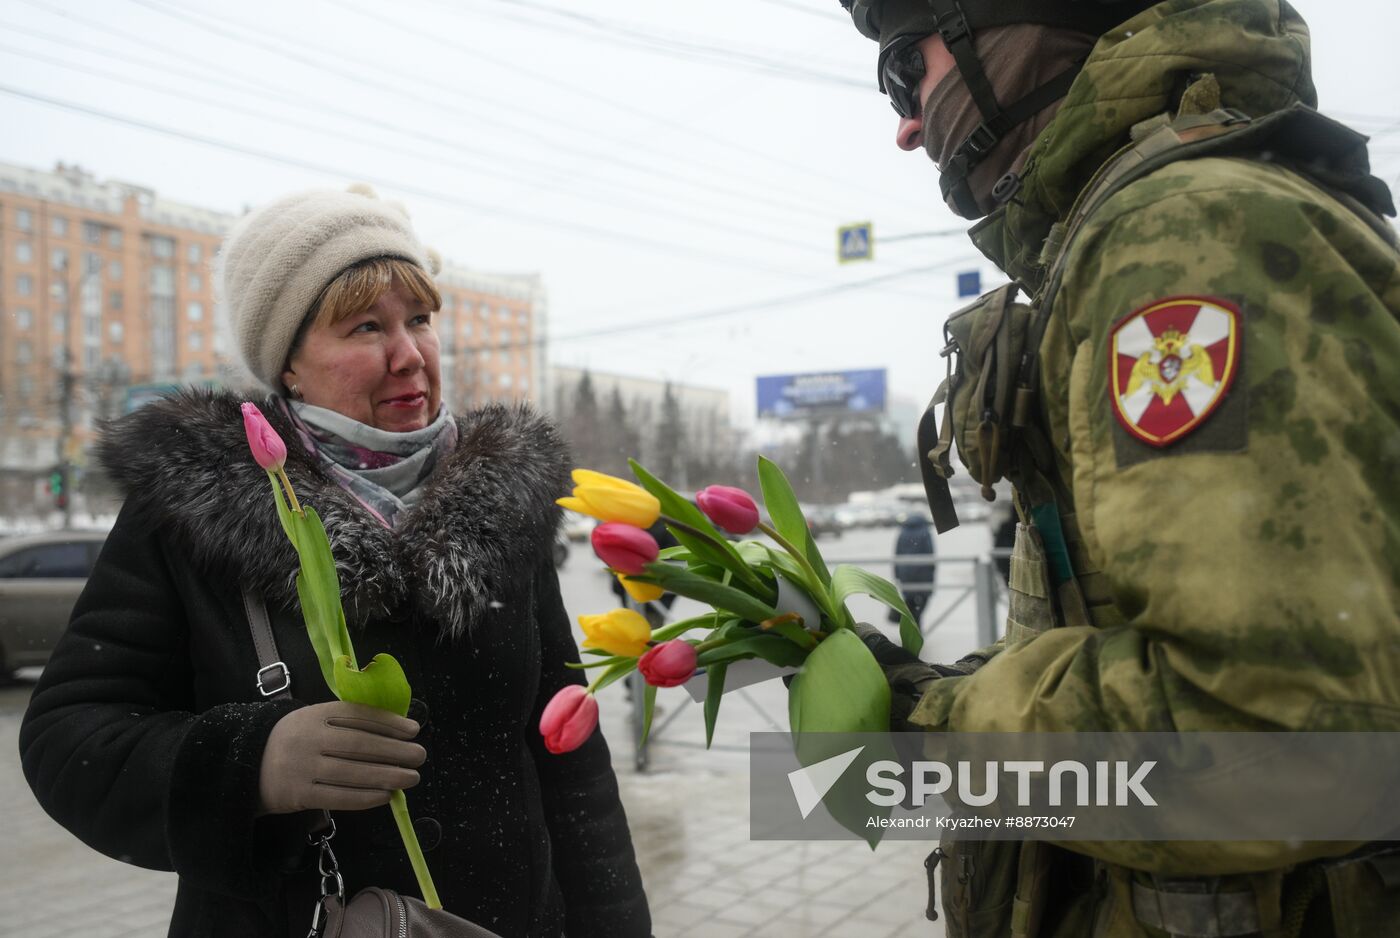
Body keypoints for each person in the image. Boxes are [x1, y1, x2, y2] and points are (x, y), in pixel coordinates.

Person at [839, 0, 1400, 934]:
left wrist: (936, 730)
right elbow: (1148, 632)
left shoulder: (1185, 232)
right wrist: (942, 684)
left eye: (907, 70)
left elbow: (1266, 737)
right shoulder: (1169, 216)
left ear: (1014, 30)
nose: (905, 124)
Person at [19, 186, 652, 938]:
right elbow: (68, 736)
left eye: (419, 320)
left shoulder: (505, 501)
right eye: (364, 327)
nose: (409, 354)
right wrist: (250, 762)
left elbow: (570, 760)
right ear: (288, 362)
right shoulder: (192, 509)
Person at [890, 510, 936, 629]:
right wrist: (932, 569)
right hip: (923, 572)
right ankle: (916, 622)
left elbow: (897, 554)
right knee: (924, 598)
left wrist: (897, 573)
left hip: (906, 573)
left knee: (910, 599)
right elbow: (930, 552)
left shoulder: (902, 532)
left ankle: (912, 624)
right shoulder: (925, 532)